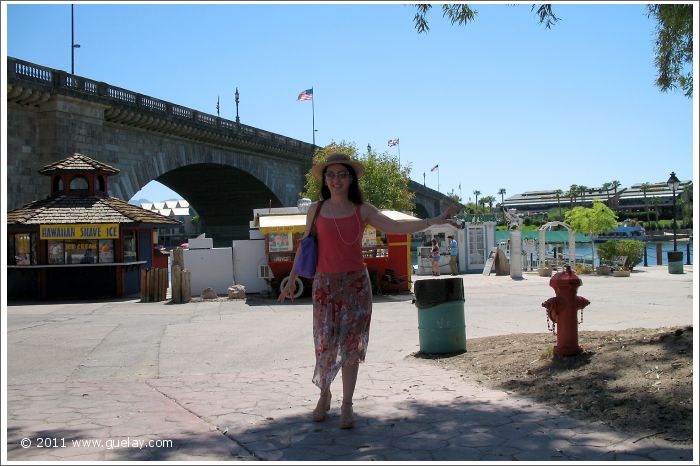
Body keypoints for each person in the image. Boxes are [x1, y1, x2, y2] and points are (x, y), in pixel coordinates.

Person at [278, 152, 460, 429]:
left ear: (351, 179)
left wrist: (433, 220)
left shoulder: (362, 210)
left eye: (342, 174)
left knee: (351, 345)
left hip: (355, 285)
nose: (336, 180)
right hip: (325, 285)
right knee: (325, 344)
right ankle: (324, 394)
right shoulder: (315, 209)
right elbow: (305, 245)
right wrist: (292, 278)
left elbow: (398, 226)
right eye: (331, 175)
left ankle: (347, 405)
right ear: (325, 180)